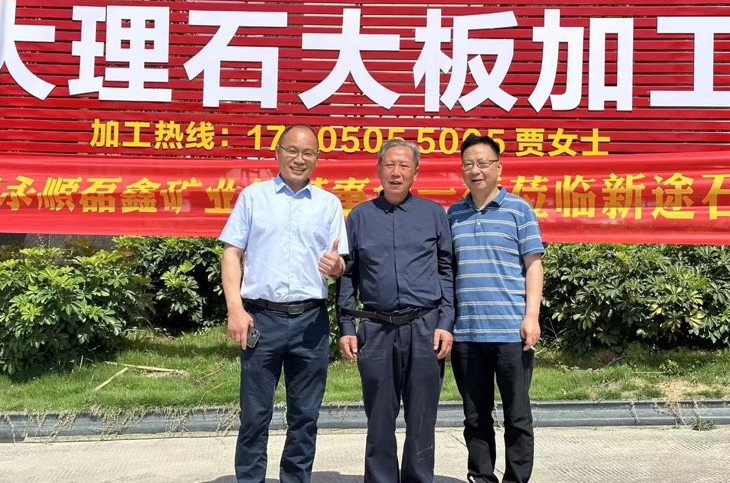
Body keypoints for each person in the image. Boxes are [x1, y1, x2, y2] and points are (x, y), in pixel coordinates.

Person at [219, 124, 348, 483]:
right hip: (261, 319)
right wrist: (235, 309)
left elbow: (340, 263)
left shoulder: (329, 204)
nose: (299, 159)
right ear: (277, 153)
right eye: (292, 150)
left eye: (308, 153)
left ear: (317, 159)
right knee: (255, 415)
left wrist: (337, 267)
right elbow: (231, 254)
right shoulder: (253, 198)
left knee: (305, 416)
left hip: (311, 322)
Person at [338, 139, 454, 483]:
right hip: (376, 329)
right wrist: (346, 325)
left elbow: (446, 270)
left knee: (422, 418)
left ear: (416, 172)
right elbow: (348, 274)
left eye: (404, 165)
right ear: (379, 170)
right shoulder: (360, 217)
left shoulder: (433, 214)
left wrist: (446, 322)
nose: (396, 172)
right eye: (389, 164)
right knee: (379, 418)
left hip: (425, 326)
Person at [447, 134, 545, 483]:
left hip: (510, 333)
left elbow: (534, 265)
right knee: (475, 416)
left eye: (483, 163)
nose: (475, 170)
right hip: (466, 334)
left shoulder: (519, 210)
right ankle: (481, 476)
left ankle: (516, 478)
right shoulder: (453, 215)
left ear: (498, 168)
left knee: (517, 415)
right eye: (468, 165)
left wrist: (531, 317)